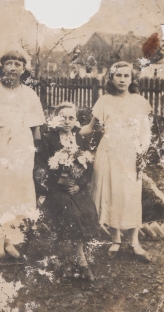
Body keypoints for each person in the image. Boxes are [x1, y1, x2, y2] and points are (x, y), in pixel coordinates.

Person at [0, 45, 45, 269]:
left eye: (17, 64)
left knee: (19, 197)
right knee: (2, 196)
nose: (13, 68)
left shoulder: (30, 95)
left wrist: (38, 159)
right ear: (2, 67)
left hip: (24, 151)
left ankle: (8, 242)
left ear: (24, 68)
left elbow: (36, 131)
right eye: (9, 63)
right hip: (1, 150)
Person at [80, 61, 152, 261]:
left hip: (131, 155)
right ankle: (115, 240)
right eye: (118, 75)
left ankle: (135, 242)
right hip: (108, 154)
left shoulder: (139, 101)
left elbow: (145, 134)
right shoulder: (104, 101)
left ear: (132, 79)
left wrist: (141, 154)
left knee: (130, 195)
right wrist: (64, 131)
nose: (122, 79)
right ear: (111, 78)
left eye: (126, 76)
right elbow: (91, 127)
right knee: (112, 193)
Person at [36, 102, 98, 281]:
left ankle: (77, 257)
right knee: (72, 214)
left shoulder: (79, 139)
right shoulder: (49, 139)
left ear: (76, 121)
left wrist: (79, 185)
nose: (67, 121)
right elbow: (40, 168)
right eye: (63, 117)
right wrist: (58, 180)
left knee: (88, 211)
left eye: (71, 118)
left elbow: (88, 167)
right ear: (56, 119)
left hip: (75, 189)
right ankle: (81, 260)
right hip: (55, 190)